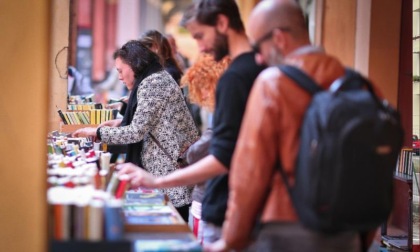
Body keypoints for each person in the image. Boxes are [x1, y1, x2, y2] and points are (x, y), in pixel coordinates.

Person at [206, 1, 371, 251]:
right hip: (345, 232)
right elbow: (372, 167)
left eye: (259, 46)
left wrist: (232, 239)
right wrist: (361, 238)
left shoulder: (273, 84)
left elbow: (250, 173)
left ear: (279, 38)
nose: (258, 57)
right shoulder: (357, 85)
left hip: (285, 231)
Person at [116, 0, 266, 244]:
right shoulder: (262, 68)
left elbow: (223, 157)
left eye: (200, 36)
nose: (201, 47)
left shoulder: (235, 78)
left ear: (222, 23)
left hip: (232, 209)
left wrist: (158, 181)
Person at [72, 40, 199, 222]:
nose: (120, 77)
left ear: (134, 65)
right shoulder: (156, 78)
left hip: (170, 171)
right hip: (169, 168)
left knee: (174, 224)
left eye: (120, 71)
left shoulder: (152, 83)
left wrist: (96, 132)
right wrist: (118, 123)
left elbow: (135, 131)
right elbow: (151, 122)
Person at [179, 53, 230, 240]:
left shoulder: (223, 108)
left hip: (209, 195)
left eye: (204, 87)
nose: (204, 94)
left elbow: (208, 141)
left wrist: (189, 153)